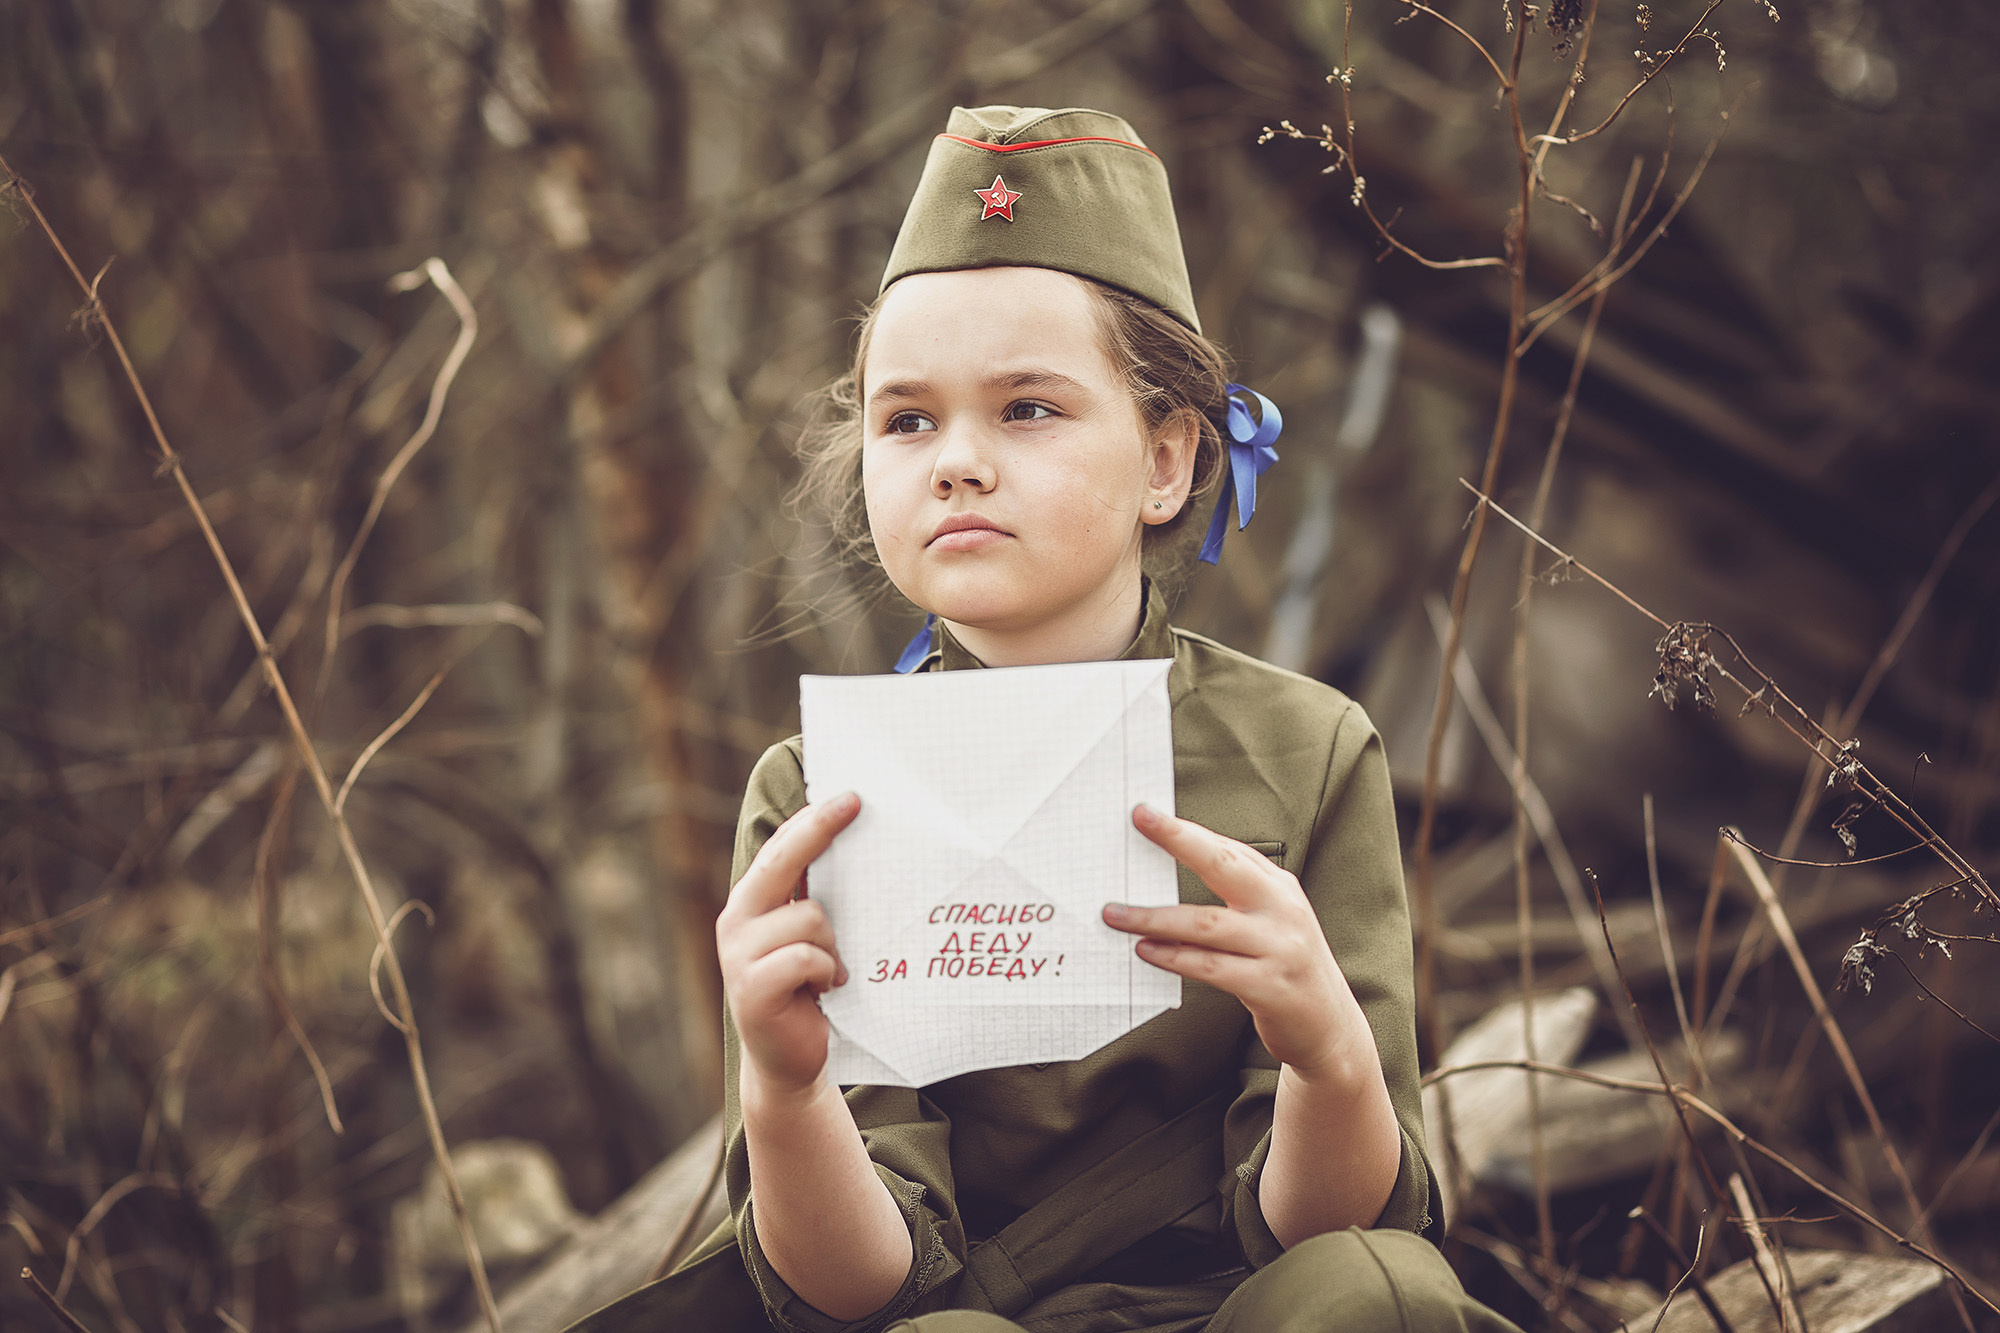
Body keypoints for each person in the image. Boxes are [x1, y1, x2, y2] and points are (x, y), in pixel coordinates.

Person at [568, 106, 1521, 1333]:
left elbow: (1332, 1236)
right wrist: (784, 1090)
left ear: (1168, 460)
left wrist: (1325, 1054)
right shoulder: (816, 798)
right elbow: (853, 1291)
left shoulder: (1308, 751)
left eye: (1026, 408)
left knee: (1379, 1293)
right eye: (906, 419)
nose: (955, 461)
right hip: (960, 1315)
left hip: (1254, 1309)